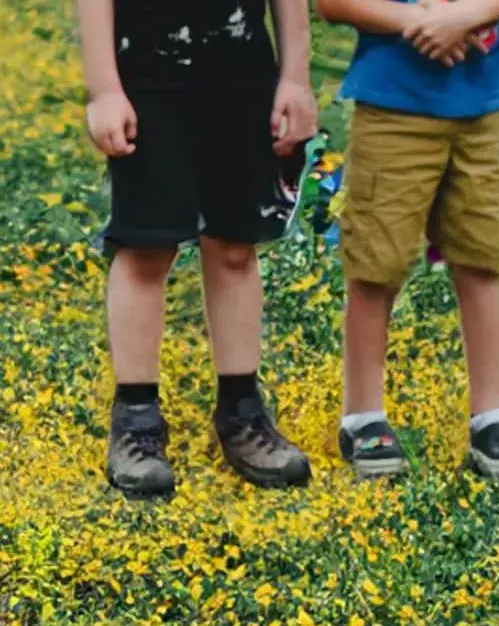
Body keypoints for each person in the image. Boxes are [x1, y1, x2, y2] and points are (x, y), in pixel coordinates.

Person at [77, 0, 322, 498]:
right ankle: (136, 420)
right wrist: (104, 89)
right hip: (146, 76)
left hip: (242, 74)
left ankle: (242, 412)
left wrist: (295, 79)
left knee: (235, 245)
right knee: (146, 247)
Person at [318, 0, 499, 481]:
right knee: (376, 265)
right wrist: (417, 23)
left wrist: (465, 18)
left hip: (480, 112)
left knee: (482, 258)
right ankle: (364, 418)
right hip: (392, 109)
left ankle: (491, 418)